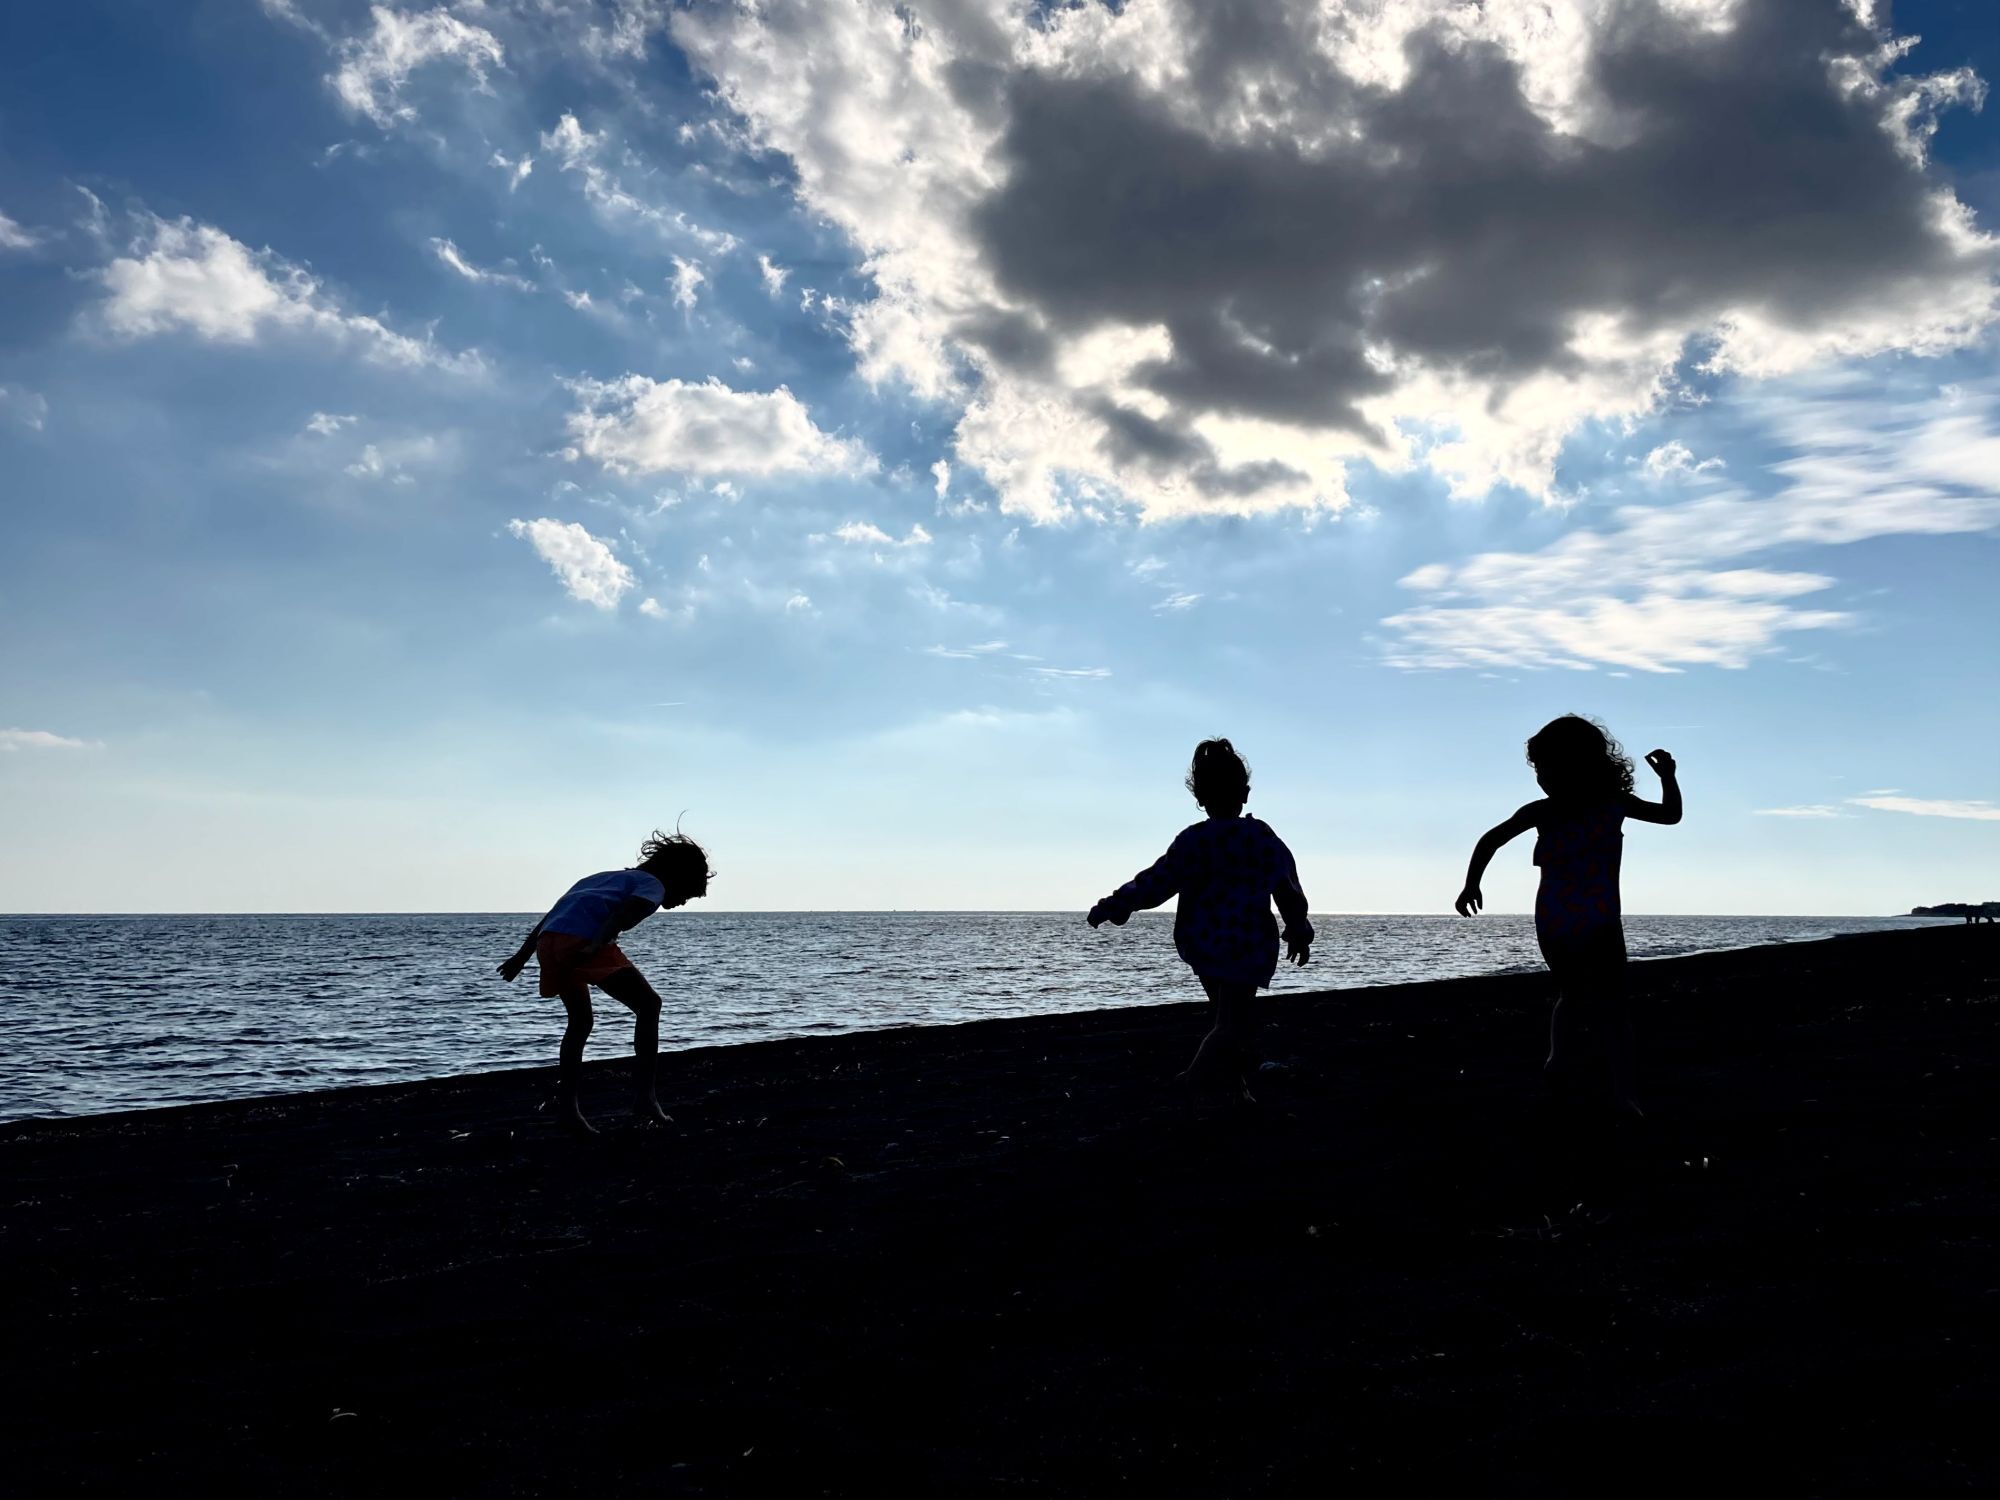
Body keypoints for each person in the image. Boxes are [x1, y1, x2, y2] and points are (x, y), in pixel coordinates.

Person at [1455, 716, 1681, 1119]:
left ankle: (1601, 1082)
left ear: (1578, 765)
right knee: (1594, 999)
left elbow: (1668, 815)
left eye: (1547, 767)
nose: (1542, 776)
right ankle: (1580, 1071)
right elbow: (1491, 839)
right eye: (1540, 769)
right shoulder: (1552, 809)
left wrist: (1668, 776)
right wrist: (1471, 883)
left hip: (1579, 917)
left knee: (1589, 998)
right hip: (1575, 917)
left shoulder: (1607, 804)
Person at [1088, 739, 1312, 1100]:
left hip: (1203, 943)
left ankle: (1235, 1090)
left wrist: (1118, 904)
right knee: (1231, 1024)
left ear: (1200, 798)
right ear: (1246, 793)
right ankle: (1194, 1081)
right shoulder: (1258, 837)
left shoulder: (1194, 841)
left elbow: (1156, 881)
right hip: (1245, 944)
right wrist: (1298, 925)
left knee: (1227, 1022)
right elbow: (1285, 886)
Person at [498, 830, 713, 1134]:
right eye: (687, 894)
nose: (681, 902)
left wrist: (521, 957)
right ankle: (645, 1098)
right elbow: (622, 916)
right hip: (584, 940)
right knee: (649, 1005)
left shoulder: (599, 878)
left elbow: (552, 916)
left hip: (550, 943)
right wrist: (595, 944)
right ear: (679, 876)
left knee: (580, 1022)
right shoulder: (652, 885)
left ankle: (568, 1111)